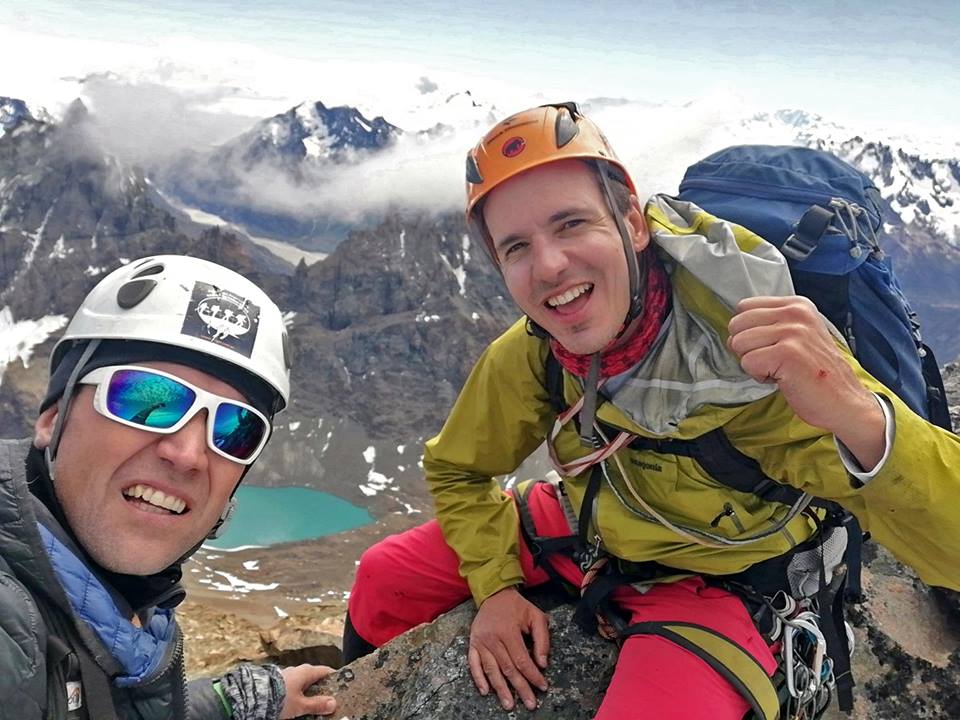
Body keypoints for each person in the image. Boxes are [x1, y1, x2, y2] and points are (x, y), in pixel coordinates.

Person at [344, 103, 960, 719]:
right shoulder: (537, 351)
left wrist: (859, 415)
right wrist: (496, 586)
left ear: (633, 224)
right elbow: (459, 470)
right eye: (517, 248)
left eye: (571, 224)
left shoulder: (752, 352)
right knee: (383, 579)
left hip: (723, 575)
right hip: (594, 526)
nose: (551, 266)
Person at [0, 255, 338, 719]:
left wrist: (230, 703)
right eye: (148, 398)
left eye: (235, 428)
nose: (188, 455)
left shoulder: (114, 608)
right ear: (54, 417)